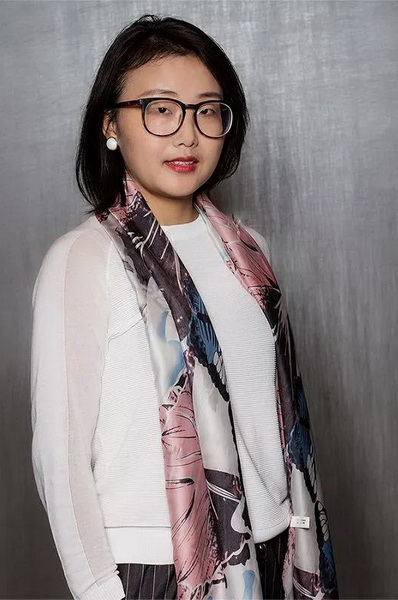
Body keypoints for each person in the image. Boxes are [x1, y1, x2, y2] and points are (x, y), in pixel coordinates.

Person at [30, 14, 338, 600]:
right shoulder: (84, 259)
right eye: (161, 109)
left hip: (273, 547)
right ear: (110, 124)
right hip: (158, 567)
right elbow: (58, 456)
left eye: (207, 111)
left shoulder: (249, 253)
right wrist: (99, 591)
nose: (187, 135)